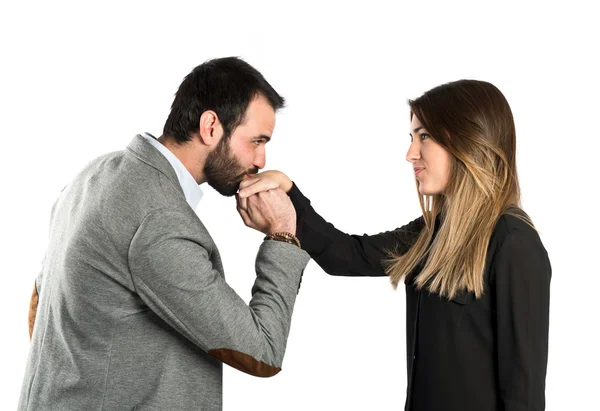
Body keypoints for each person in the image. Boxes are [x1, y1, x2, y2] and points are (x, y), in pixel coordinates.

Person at [237, 80, 551, 411]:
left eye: (424, 136)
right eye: (412, 138)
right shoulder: (431, 233)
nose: (410, 154)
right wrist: (288, 192)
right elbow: (349, 256)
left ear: (468, 139)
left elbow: (524, 395)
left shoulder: (514, 244)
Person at [20, 57, 310, 411]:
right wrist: (282, 235)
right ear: (210, 126)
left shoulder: (95, 174)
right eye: (257, 141)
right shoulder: (159, 219)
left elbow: (39, 302)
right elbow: (261, 351)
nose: (262, 160)